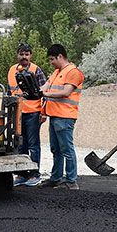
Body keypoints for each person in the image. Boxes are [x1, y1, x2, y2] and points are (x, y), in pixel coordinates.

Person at [38, 44, 84, 190]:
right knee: (55, 149)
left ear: (60, 56)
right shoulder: (57, 72)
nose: (51, 62)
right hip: (54, 115)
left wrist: (46, 94)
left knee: (66, 149)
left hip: (65, 116)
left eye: (52, 59)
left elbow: (66, 92)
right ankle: (56, 178)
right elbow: (44, 87)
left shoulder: (73, 72)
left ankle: (71, 181)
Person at [8, 43, 47, 186]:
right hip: (17, 114)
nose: (24, 57)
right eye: (22, 54)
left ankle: (35, 173)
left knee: (33, 145)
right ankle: (22, 174)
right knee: (20, 145)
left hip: (33, 113)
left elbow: (44, 94)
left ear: (30, 55)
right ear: (17, 55)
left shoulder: (36, 70)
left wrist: (43, 113)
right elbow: (9, 92)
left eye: (27, 54)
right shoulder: (12, 70)